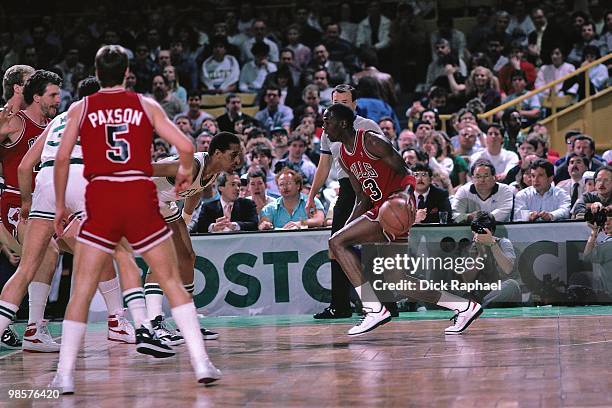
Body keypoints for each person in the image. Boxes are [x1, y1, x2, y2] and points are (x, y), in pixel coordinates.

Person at [49, 45, 221, 393]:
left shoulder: (80, 108)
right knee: (170, 280)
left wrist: (59, 208)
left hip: (103, 198)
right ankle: (201, 361)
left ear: (97, 73)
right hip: (139, 196)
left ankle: (63, 375)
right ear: (127, 72)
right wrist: (186, 173)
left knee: (81, 288)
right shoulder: (146, 104)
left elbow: (64, 159)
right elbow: (186, 147)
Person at [324, 103, 482, 336]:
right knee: (398, 281)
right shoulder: (344, 156)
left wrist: (406, 198)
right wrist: (346, 228)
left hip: (396, 205)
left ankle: (373, 308)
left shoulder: (370, 140)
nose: (324, 126)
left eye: (327, 121)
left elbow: (405, 170)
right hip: (381, 209)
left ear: (343, 123)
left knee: (336, 243)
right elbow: (361, 197)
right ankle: (464, 307)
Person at [146, 132, 244, 344]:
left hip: (163, 203)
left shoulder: (211, 171)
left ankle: (186, 320)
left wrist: (185, 220)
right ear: (217, 153)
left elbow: (196, 189)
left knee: (187, 257)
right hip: (143, 197)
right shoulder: (191, 165)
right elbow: (149, 168)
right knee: (163, 258)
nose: (238, 161)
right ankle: (153, 323)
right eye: (233, 155)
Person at [306, 84, 383, 320]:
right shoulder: (329, 130)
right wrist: (312, 194)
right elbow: (324, 165)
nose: (339, 106)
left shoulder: (368, 126)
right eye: (335, 102)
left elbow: (387, 157)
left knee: (375, 245)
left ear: (354, 104)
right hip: (347, 189)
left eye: (344, 102)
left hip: (372, 185)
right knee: (336, 245)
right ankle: (340, 304)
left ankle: (383, 303)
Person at [0, 69, 62, 350]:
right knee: (47, 251)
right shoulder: (14, 122)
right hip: (16, 203)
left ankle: (122, 317)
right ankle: (34, 328)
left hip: (45, 202)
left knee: (92, 244)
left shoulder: (52, 125)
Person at [462, 211, 521, 307]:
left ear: (492, 231)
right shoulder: (471, 247)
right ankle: (480, 307)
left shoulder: (503, 243)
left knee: (512, 285)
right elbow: (466, 280)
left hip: (499, 295)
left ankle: (481, 308)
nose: (480, 233)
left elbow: (508, 269)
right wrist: (481, 254)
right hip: (479, 294)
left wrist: (492, 244)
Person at [259, 167, 324, 230]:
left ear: (298, 185)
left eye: (289, 183)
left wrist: (301, 223)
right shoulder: (270, 208)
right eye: (281, 184)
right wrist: (265, 225)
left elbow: (319, 220)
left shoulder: (311, 201)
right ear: (278, 188)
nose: (285, 187)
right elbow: (263, 224)